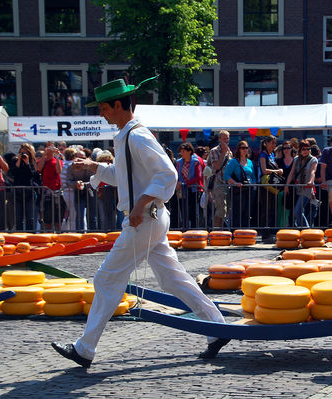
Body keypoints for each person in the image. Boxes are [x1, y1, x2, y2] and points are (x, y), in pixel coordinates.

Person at [51, 77, 229, 369]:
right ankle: (217, 327)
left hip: (143, 221)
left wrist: (142, 203)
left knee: (106, 279)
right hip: (149, 220)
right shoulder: (127, 135)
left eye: (104, 107)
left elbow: (168, 174)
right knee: (172, 278)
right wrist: (96, 168)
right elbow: (126, 177)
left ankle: (84, 349)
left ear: (119, 105)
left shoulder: (136, 136)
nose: (101, 114)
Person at [285, 140, 317, 227]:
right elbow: (291, 173)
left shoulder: (313, 159)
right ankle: (303, 230)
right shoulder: (296, 159)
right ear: (300, 150)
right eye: (303, 149)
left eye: (308, 148)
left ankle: (306, 230)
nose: (306, 151)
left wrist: (311, 181)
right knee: (298, 212)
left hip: (307, 189)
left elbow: (313, 171)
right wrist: (287, 185)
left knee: (297, 211)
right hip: (297, 188)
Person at [224, 140, 256, 228]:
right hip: (238, 191)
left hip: (249, 190)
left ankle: (245, 232)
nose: (245, 150)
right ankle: (236, 233)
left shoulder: (250, 162)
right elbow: (226, 175)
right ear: (238, 149)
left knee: (247, 212)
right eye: (243, 148)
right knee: (237, 212)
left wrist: (254, 186)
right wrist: (235, 183)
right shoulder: (233, 162)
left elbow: (253, 176)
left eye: (246, 148)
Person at [258, 136, 281, 242]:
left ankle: (270, 232)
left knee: (271, 209)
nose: (274, 145)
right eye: (272, 143)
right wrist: (277, 171)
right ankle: (265, 235)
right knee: (265, 210)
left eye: (275, 143)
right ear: (266, 143)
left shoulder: (272, 154)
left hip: (271, 185)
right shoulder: (263, 154)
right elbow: (264, 170)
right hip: (265, 185)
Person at [207, 130, 233, 228]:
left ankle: (220, 232)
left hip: (228, 183)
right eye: (224, 138)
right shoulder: (214, 151)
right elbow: (216, 167)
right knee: (220, 210)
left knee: (226, 211)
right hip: (218, 183)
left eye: (227, 138)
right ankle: (216, 231)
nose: (226, 140)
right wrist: (223, 153)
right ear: (219, 139)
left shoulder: (229, 151)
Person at [175, 142, 204, 229]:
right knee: (183, 212)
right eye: (181, 151)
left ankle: (194, 230)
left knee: (193, 212)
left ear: (189, 151)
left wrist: (185, 183)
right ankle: (185, 230)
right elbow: (176, 174)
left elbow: (198, 177)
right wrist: (178, 183)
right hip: (182, 190)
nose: (181, 153)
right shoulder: (179, 162)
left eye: (183, 151)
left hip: (193, 190)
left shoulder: (196, 162)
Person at [10, 143, 37, 231]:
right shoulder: (15, 160)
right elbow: (13, 173)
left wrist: (27, 162)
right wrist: (18, 160)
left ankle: (31, 233)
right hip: (18, 190)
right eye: (22, 152)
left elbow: (32, 175)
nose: (24, 154)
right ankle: (19, 233)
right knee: (18, 216)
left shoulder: (32, 161)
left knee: (30, 216)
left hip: (29, 190)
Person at [37, 143, 64, 231]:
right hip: (46, 191)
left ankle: (59, 234)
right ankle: (49, 234)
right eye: (48, 147)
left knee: (58, 216)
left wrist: (57, 156)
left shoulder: (58, 160)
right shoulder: (42, 160)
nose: (50, 149)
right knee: (47, 216)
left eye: (52, 147)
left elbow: (59, 171)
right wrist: (44, 154)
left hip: (57, 190)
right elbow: (39, 168)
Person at [276, 140, 295, 226]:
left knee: (291, 210)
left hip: (292, 188)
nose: (286, 150)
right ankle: (280, 227)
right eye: (284, 148)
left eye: (288, 148)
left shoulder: (295, 160)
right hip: (280, 188)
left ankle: (291, 228)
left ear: (291, 149)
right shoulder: (278, 161)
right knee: (280, 209)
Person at [61, 148, 77, 231]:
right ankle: (73, 231)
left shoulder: (64, 164)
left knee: (70, 213)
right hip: (71, 192)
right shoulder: (71, 165)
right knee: (74, 214)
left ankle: (68, 229)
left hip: (66, 192)